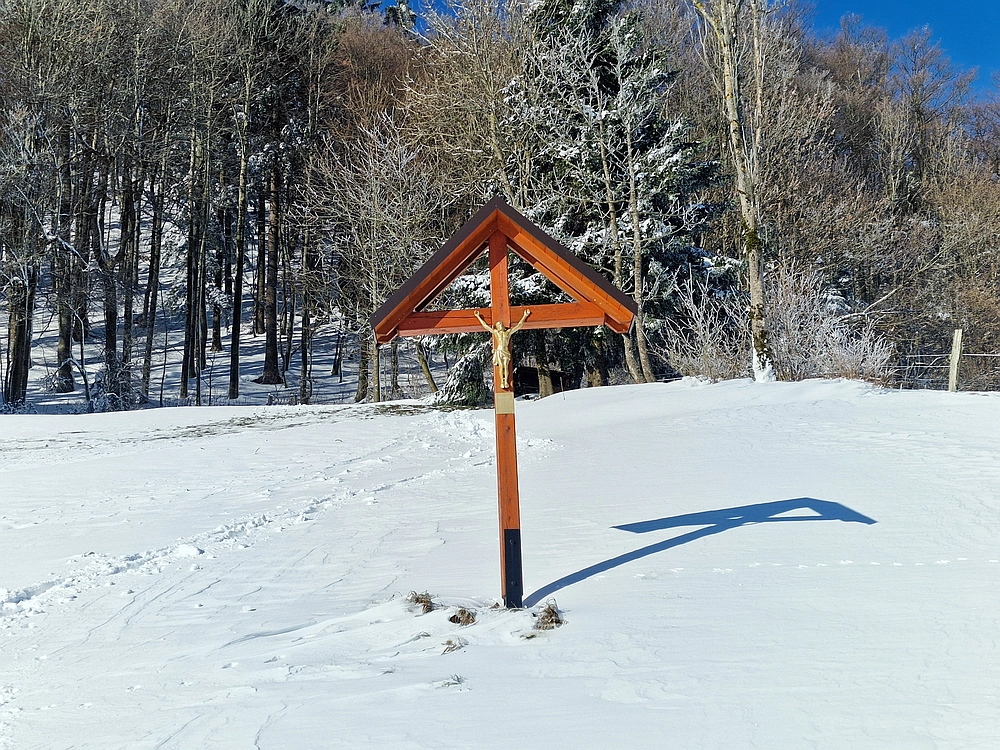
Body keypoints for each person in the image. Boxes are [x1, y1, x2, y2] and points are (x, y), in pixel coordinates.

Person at [473, 309, 531, 390]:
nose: (500, 325)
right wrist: (478, 316)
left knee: (505, 366)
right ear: (497, 327)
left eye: (501, 324)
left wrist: (525, 315)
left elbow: (519, 325)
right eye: (498, 324)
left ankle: (506, 381)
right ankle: (502, 382)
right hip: (499, 351)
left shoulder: (508, 332)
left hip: (505, 351)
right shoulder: (496, 332)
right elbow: (486, 326)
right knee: (501, 366)